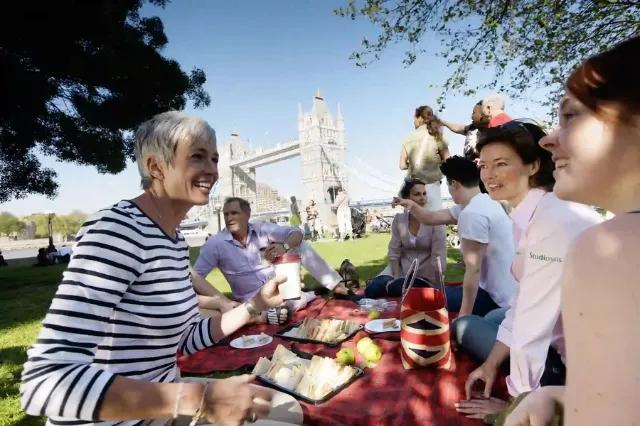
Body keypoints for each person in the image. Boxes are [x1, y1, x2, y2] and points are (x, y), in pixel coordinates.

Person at [20, 111, 285, 426]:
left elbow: (184, 338)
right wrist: (198, 400)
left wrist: (254, 305)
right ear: (155, 166)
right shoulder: (116, 230)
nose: (212, 171)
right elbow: (46, 381)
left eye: (214, 159)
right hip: (120, 420)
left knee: (287, 408)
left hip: (162, 410)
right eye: (197, 157)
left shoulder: (173, 240)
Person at [505, 36, 640, 426]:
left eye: (571, 116)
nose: (548, 140)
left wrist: (525, 393)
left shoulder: (610, 248)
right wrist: (563, 394)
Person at [454, 121, 602, 421]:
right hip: (568, 338)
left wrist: (517, 404)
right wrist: (492, 363)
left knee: (463, 326)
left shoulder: (552, 221)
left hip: (582, 366)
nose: (488, 175)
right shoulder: (537, 213)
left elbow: (531, 326)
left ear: (534, 165)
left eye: (501, 164)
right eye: (483, 165)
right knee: (498, 317)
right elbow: (523, 301)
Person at [392, 156, 516, 319]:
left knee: (423, 300)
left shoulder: (473, 214)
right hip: (508, 292)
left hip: (496, 300)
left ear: (454, 184)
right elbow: (431, 218)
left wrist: (464, 316)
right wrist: (412, 205)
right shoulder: (486, 202)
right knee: (432, 294)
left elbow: (473, 269)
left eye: (448, 186)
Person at [193, 196, 349, 316]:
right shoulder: (215, 244)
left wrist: (284, 246)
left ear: (247, 214)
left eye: (234, 213)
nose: (229, 218)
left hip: (279, 292)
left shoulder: (262, 230)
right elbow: (195, 279)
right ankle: (307, 295)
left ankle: (335, 286)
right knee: (295, 302)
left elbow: (297, 233)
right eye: (226, 214)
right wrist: (220, 302)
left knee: (300, 245)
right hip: (253, 302)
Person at [365, 179, 446, 298]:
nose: (422, 198)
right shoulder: (399, 220)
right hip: (400, 271)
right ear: (407, 198)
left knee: (398, 288)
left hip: (424, 275)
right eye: (417, 194)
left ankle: (392, 288)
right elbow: (394, 252)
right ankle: (388, 286)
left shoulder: (435, 221)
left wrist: (438, 286)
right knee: (372, 290)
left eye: (424, 194)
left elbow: (439, 256)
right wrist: (396, 278)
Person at [399, 105, 450, 210]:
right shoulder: (437, 136)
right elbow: (448, 160)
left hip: (413, 189)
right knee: (435, 221)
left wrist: (413, 165)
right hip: (433, 187)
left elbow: (402, 165)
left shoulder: (407, 138)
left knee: (414, 222)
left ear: (418, 118)